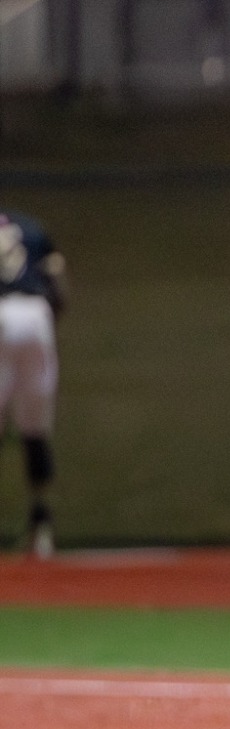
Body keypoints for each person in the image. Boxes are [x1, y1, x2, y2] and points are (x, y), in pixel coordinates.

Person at [0, 209, 65, 560]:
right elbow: (55, 275)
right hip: (35, 316)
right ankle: (41, 527)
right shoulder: (29, 226)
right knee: (35, 429)